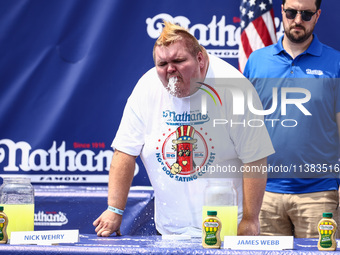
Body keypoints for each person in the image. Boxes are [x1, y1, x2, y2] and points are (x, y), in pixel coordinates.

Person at [93, 21, 274, 237]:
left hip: (226, 229)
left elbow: (255, 158)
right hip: (170, 230)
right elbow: (124, 151)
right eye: (162, 64)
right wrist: (114, 209)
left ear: (200, 59)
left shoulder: (234, 87)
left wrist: (250, 220)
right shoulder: (147, 87)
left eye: (178, 61)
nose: (170, 70)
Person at [243, 0, 340, 238]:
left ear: (317, 16)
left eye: (306, 14)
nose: (298, 20)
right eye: (291, 12)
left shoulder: (336, 64)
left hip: (319, 196)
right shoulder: (256, 61)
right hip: (262, 196)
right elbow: (243, 130)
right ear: (283, 11)